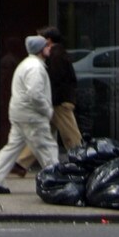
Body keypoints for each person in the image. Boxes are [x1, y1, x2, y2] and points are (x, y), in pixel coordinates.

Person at [0, 36, 58, 194]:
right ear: (40, 49)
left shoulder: (25, 64)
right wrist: (47, 111)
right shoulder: (35, 68)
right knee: (47, 148)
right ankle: (56, 181)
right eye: (47, 46)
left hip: (19, 113)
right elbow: (35, 95)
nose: (49, 48)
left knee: (12, 148)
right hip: (32, 116)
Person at [17, 26, 82, 171]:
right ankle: (80, 160)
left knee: (69, 135)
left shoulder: (55, 55)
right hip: (57, 101)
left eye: (41, 38)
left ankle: (21, 163)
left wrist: (47, 98)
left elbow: (54, 79)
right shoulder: (58, 54)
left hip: (58, 102)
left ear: (49, 40)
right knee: (53, 133)